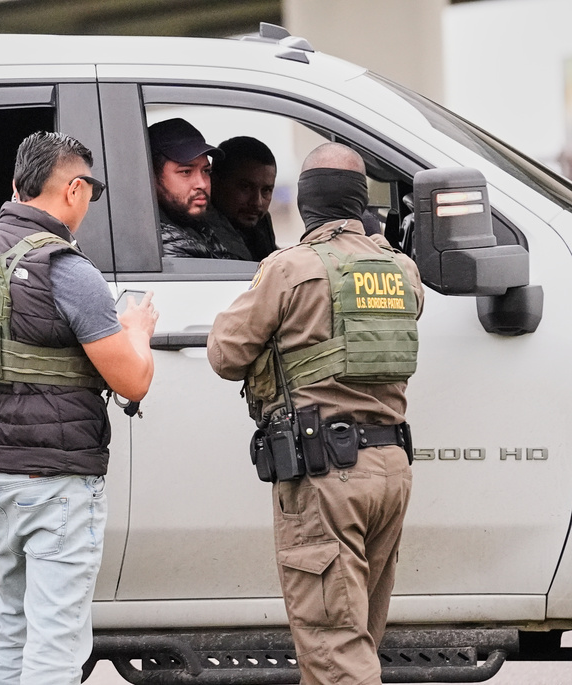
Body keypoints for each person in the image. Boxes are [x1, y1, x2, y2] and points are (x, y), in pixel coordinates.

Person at [0, 131, 158, 685]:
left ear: (16, 186)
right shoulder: (67, 269)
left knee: (11, 630)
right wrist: (137, 331)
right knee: (57, 645)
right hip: (56, 483)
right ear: (75, 189)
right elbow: (132, 382)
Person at [206, 143, 423, 685]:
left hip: (326, 477)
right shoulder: (402, 271)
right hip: (390, 470)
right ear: (360, 202)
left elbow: (224, 354)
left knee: (333, 653)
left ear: (306, 205)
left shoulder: (290, 270)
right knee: (357, 642)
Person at [148, 118, 251, 260]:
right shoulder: (165, 244)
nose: (202, 184)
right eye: (186, 172)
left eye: (206, 171)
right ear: (152, 177)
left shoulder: (198, 222)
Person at [211, 136, 279, 261]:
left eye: (266, 190)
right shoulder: (199, 237)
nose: (257, 202)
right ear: (215, 183)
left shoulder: (261, 225)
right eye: (245, 187)